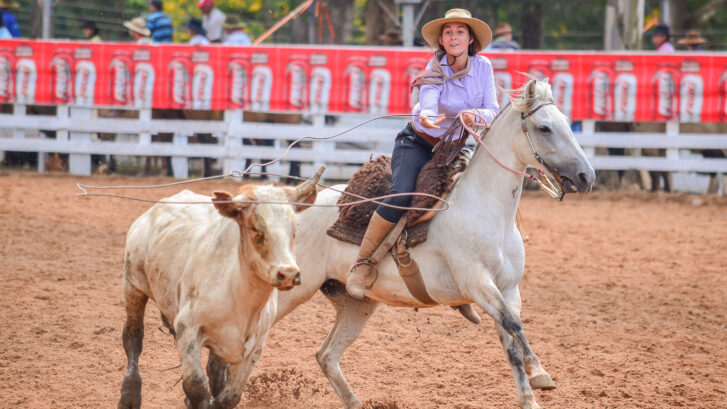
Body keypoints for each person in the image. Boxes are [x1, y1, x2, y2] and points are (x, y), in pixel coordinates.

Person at [345, 8, 499, 299]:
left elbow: (493, 109)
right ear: (441, 40)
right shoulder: (434, 69)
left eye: (460, 31)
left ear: (470, 39)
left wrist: (474, 114)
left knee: (471, 201)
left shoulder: (484, 68)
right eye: (448, 32)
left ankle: (457, 275)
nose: (454, 36)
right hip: (417, 142)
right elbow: (428, 101)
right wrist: (428, 116)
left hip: (452, 148)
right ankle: (362, 264)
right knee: (401, 195)